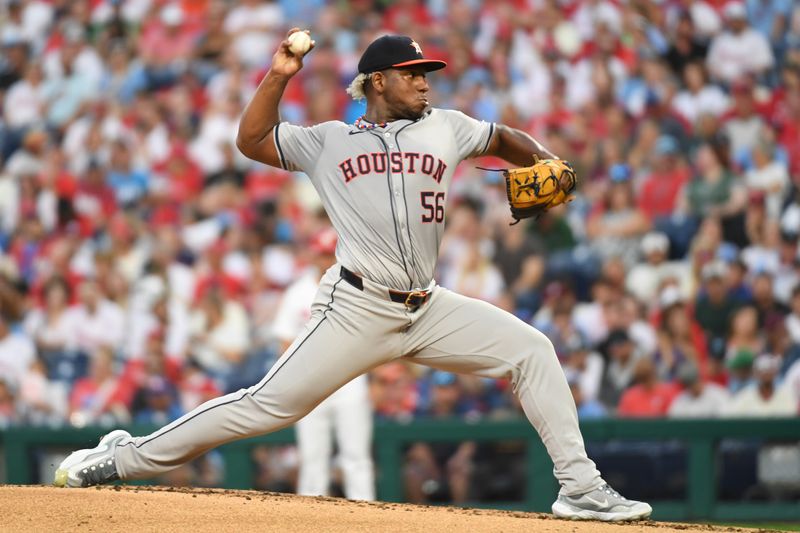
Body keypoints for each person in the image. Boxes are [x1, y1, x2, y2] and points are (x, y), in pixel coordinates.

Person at [55, 32, 651, 522]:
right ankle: (124, 457)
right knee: (267, 406)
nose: (425, 82)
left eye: (427, 73)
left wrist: (545, 161)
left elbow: (504, 138)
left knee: (533, 351)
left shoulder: (447, 125)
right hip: (356, 307)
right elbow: (251, 140)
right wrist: (281, 74)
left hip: (429, 307)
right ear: (377, 81)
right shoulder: (329, 141)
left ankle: (580, 488)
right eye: (412, 72)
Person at [271, 227, 375, 501]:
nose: (325, 259)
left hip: (349, 379)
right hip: (311, 380)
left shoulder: (360, 287)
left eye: (330, 253)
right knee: (313, 459)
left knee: (356, 458)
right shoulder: (298, 292)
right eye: (321, 253)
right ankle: (311, 523)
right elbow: (284, 342)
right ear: (312, 254)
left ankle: (368, 522)